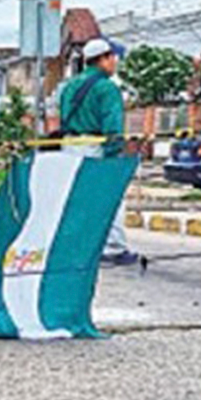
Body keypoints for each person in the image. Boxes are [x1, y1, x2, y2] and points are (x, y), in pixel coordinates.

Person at [59, 38, 138, 266]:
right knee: (110, 197)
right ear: (103, 59)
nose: (115, 63)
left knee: (77, 199)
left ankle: (76, 247)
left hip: (69, 146)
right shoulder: (107, 87)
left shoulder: (69, 86)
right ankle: (113, 248)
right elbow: (112, 126)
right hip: (95, 148)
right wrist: (115, 154)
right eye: (113, 58)